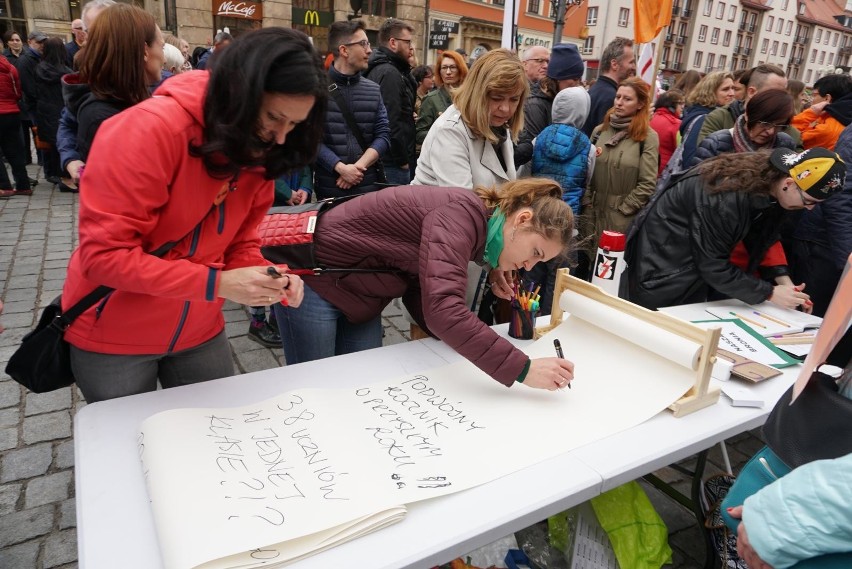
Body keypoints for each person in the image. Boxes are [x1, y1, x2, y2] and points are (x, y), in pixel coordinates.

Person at [59, 27, 323, 402]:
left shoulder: (261, 149)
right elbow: (104, 258)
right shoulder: (147, 131)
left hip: (199, 328)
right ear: (239, 92)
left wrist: (266, 276)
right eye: (273, 117)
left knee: (213, 439)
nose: (281, 137)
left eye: (294, 125)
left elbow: (242, 239)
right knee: (127, 447)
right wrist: (218, 284)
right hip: (114, 334)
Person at [272, 179, 576, 391]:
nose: (527, 267)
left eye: (539, 262)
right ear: (522, 220)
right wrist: (523, 369)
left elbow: (422, 289)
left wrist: (468, 340)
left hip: (362, 293)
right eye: (535, 253)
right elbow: (443, 309)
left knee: (359, 386)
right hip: (314, 280)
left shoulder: (475, 227)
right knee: (313, 390)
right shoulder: (460, 215)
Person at [624, 148, 845, 311]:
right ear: (788, 182)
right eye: (808, 200)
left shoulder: (766, 182)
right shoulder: (724, 198)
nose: (809, 209)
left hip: (683, 274)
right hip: (664, 278)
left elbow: (763, 235)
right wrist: (769, 292)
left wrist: (785, 283)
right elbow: (712, 266)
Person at [62, 3, 164, 167]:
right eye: (162, 46)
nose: (164, 58)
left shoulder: (128, 97)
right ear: (145, 51)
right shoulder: (104, 118)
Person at [413, 48, 527, 190]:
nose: (505, 108)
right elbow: (461, 205)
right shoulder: (450, 131)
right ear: (477, 92)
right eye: (496, 98)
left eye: (514, 99)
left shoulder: (499, 123)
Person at [584, 77, 659, 267]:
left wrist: (623, 210)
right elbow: (585, 171)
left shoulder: (647, 137)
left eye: (627, 99)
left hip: (620, 221)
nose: (619, 102)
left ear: (640, 104)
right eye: (618, 97)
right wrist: (586, 201)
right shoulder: (600, 131)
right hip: (590, 217)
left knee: (608, 273)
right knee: (584, 272)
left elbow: (648, 183)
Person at [314, 19, 390, 200]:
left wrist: (356, 169)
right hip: (330, 188)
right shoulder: (315, 89)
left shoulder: (373, 89)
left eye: (369, 44)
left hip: (368, 189)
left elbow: (384, 135)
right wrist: (340, 168)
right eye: (363, 44)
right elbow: (308, 139)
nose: (369, 50)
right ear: (344, 50)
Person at [787, 122, 852, 317]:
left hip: (838, 244)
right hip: (825, 243)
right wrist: (848, 261)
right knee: (812, 317)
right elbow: (840, 199)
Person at [515, 43, 584, 168]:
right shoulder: (535, 103)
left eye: (548, 61)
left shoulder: (561, 99)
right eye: (574, 78)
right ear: (559, 77)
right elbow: (535, 149)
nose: (577, 83)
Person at [364, 18, 416, 185]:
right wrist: (402, 160)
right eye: (407, 42)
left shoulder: (390, 69)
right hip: (392, 162)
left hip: (387, 158)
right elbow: (390, 122)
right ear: (393, 43)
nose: (411, 47)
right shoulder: (389, 73)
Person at [697, 64, 799, 149]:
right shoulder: (719, 118)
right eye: (771, 93)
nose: (779, 98)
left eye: (783, 93)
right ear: (752, 92)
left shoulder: (788, 132)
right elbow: (702, 162)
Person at [690, 89, 796, 168]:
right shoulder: (716, 143)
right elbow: (695, 186)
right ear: (747, 115)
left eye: (779, 125)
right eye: (765, 123)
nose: (771, 131)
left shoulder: (785, 144)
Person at [677, 71, 735, 168]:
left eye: (733, 88)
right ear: (710, 92)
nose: (732, 93)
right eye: (725, 89)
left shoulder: (721, 114)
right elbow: (692, 157)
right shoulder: (704, 119)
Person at [582, 37, 635, 136]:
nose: (633, 67)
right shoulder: (611, 97)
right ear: (614, 64)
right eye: (631, 62)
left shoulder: (596, 89)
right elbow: (608, 140)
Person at [415, 50, 468, 149]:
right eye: (444, 68)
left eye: (452, 67)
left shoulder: (470, 98)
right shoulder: (431, 99)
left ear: (460, 69)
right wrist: (442, 133)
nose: (448, 72)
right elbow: (419, 134)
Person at [790, 74, 852, 151]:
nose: (811, 100)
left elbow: (787, 135)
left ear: (827, 98)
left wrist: (811, 113)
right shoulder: (840, 118)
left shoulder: (827, 129)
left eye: (814, 95)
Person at [0, 47, 32, 198]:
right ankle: (23, 185)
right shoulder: (11, 68)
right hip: (12, 112)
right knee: (15, 151)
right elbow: (18, 92)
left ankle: (4, 187)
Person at [649, 89, 684, 176]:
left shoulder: (649, 118)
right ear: (671, 105)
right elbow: (679, 149)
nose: (683, 107)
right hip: (664, 172)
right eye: (680, 103)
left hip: (648, 166)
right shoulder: (676, 124)